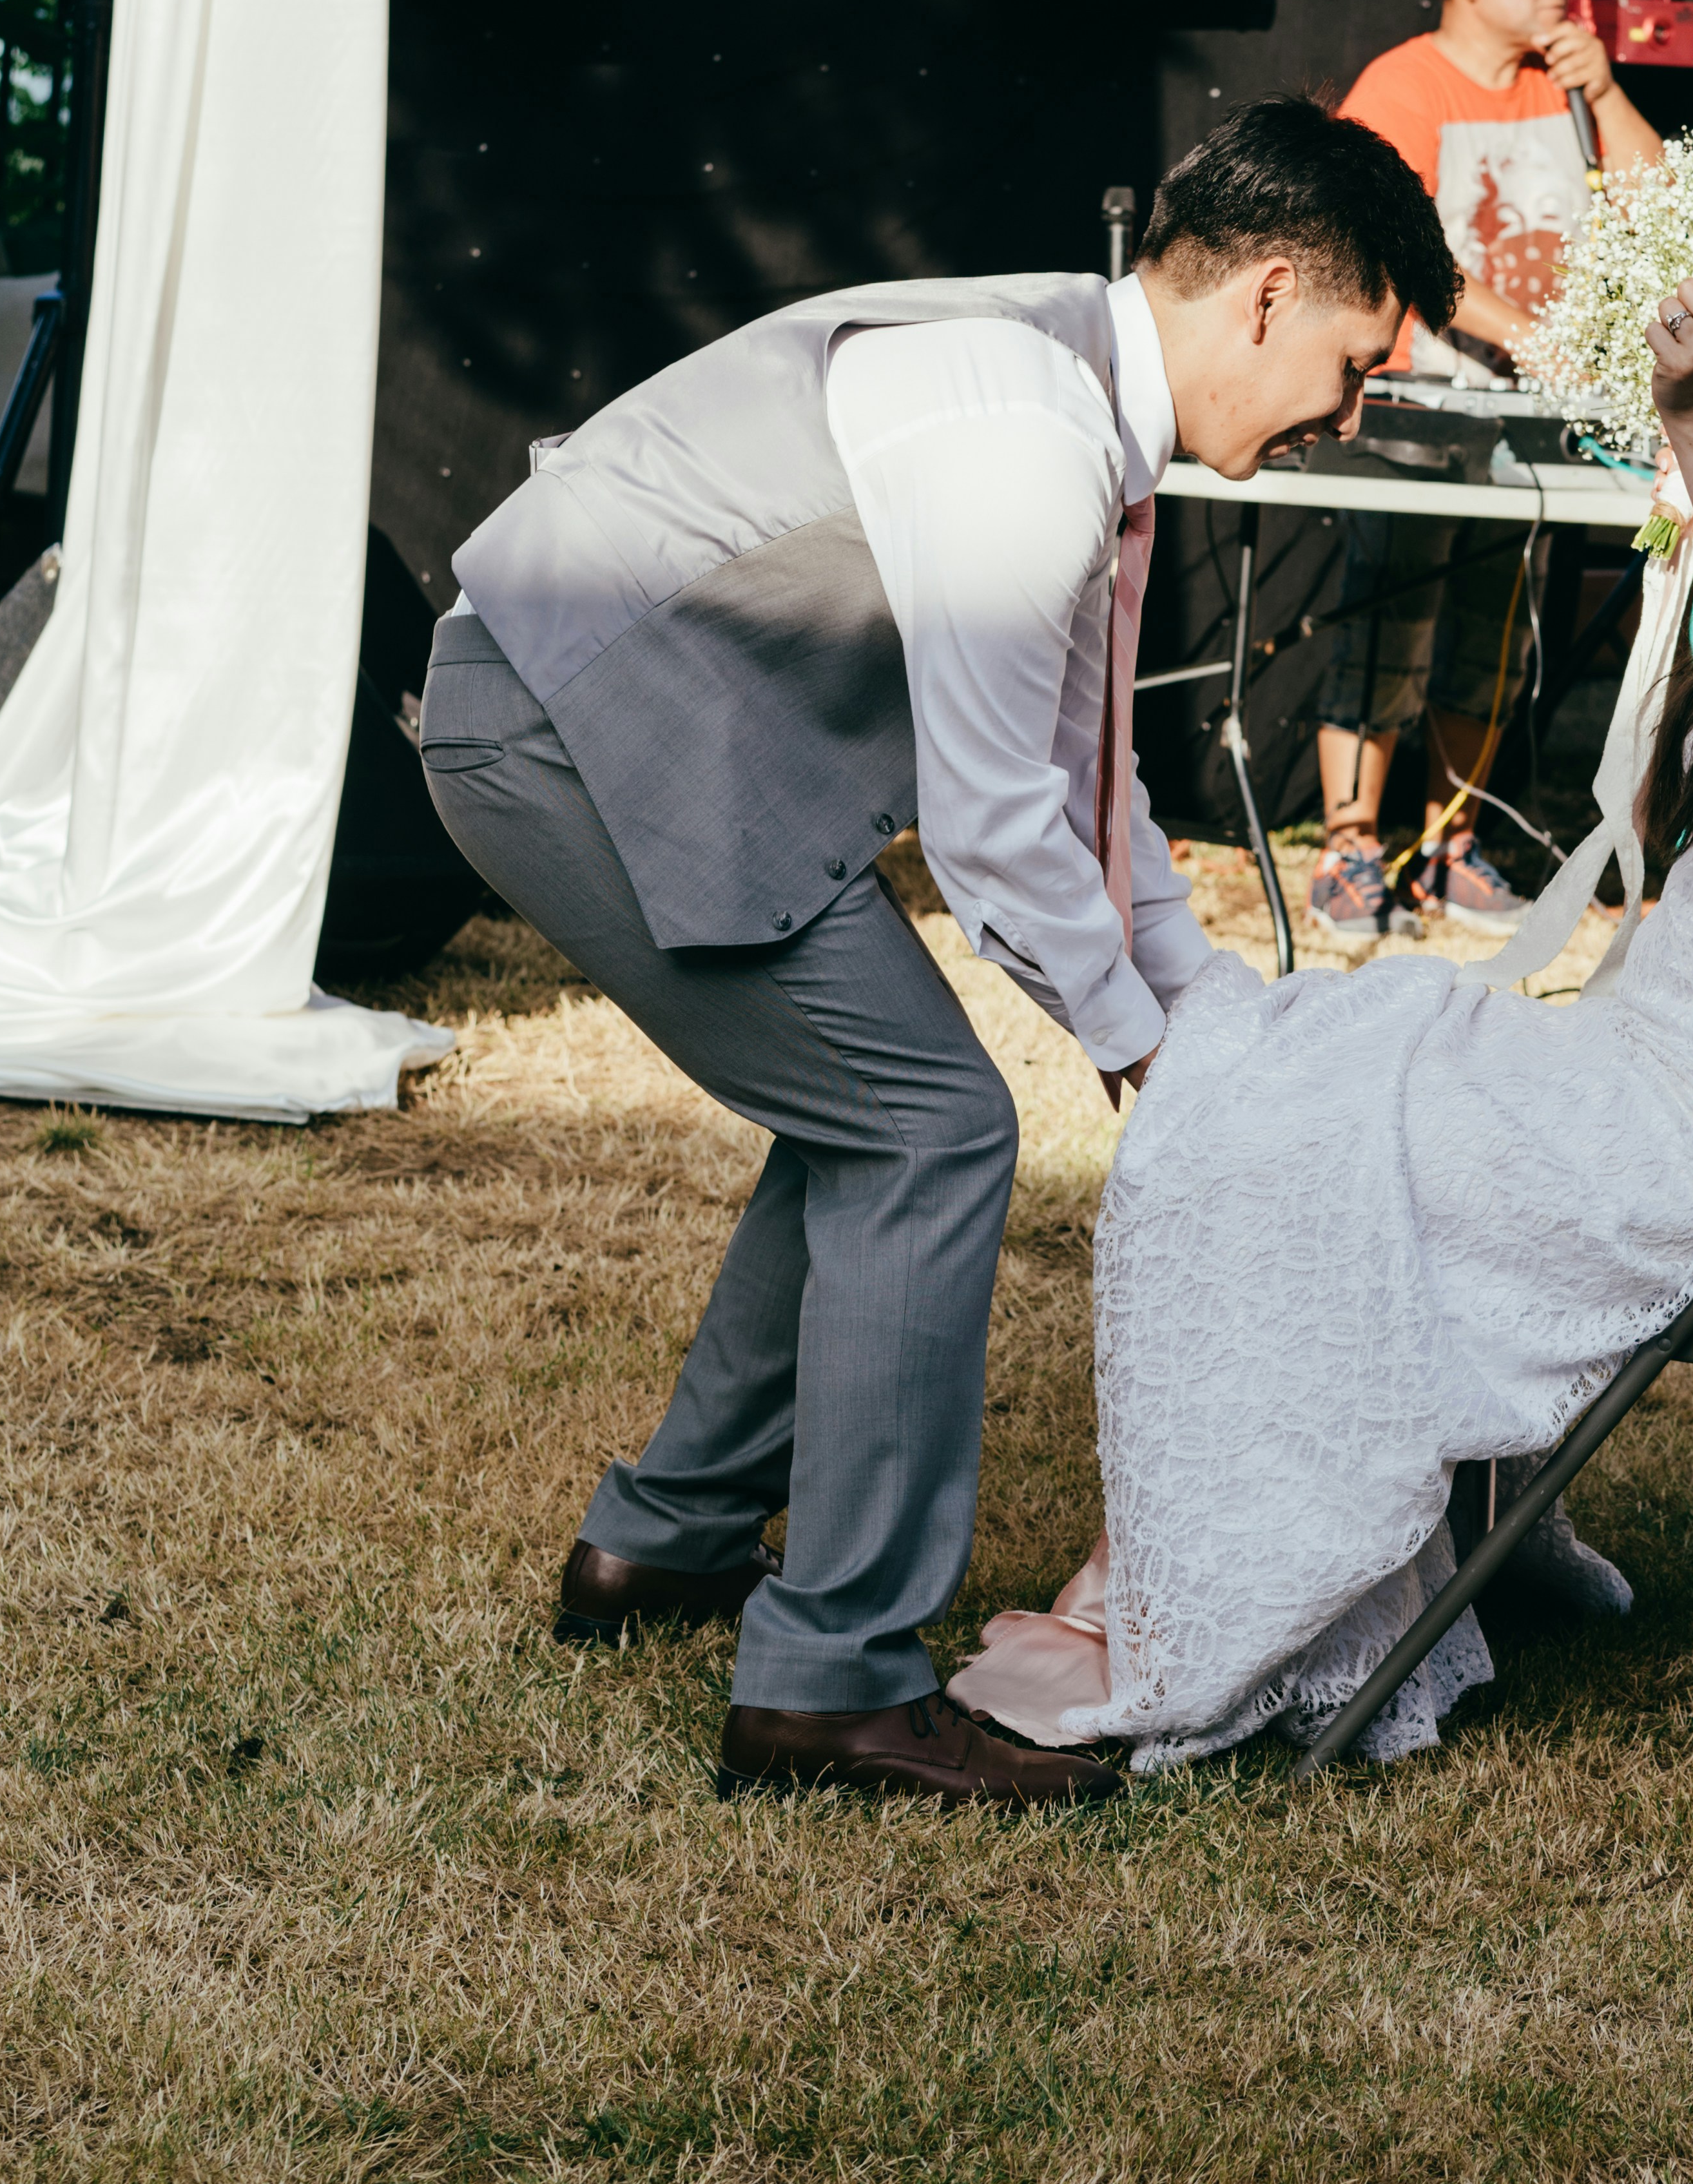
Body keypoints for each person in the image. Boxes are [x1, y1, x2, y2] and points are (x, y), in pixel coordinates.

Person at [418, 99, 1459, 1812]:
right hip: (560, 719)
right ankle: (828, 1686)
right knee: (935, 1127)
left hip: (615, 719)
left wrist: (1222, 1036)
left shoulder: (1073, 411)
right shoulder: (1021, 434)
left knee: (871, 1114)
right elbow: (991, 834)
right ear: (1268, 296)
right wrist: (1140, 1060)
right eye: (1353, 365)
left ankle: (663, 1546)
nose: (1345, 416)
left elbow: (1088, 795)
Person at [948, 151, 1693, 1771]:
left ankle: (1220, 1593)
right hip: (1689, 1072)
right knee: (1326, 1059)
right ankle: (1325, 1542)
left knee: (1302, 1121)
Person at [1310, 0, 1668, 940]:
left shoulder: (1562, 86)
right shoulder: (1404, 89)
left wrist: (1604, 91)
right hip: (1421, 408)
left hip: (1535, 419)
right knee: (1389, 619)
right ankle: (1349, 853)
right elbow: (1401, 255)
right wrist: (1540, 342)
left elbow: (1656, 208)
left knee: (1496, 631)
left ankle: (1448, 850)